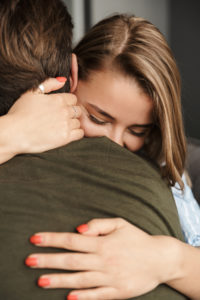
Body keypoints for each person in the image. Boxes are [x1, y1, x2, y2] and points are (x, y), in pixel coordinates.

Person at [0, 2, 199, 300]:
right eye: (98, 118)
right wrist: (10, 133)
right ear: (72, 77)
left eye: (137, 131)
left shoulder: (168, 175)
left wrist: (169, 260)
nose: (114, 142)